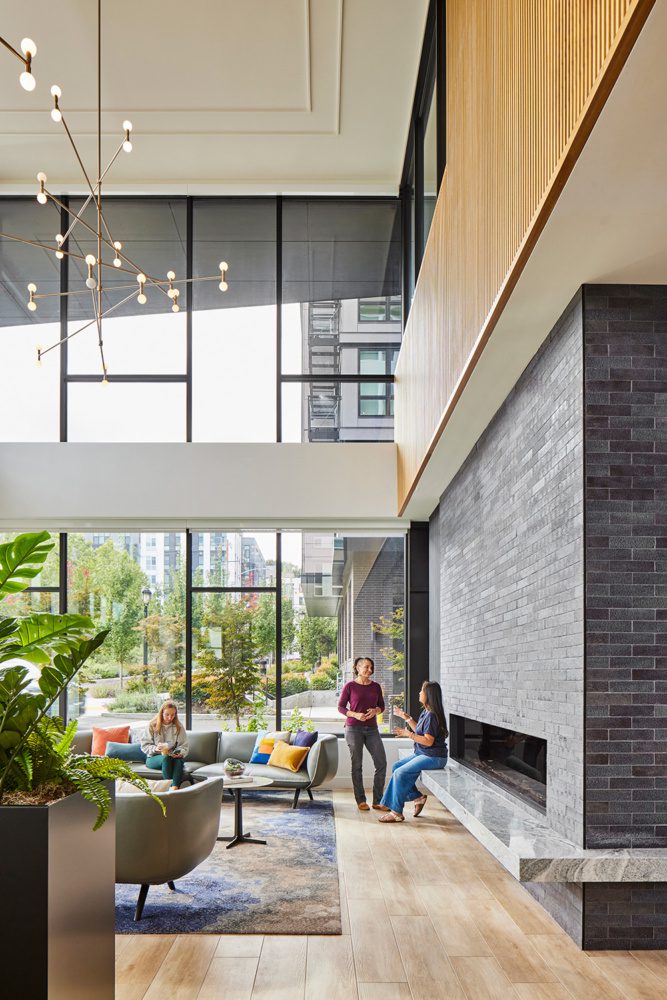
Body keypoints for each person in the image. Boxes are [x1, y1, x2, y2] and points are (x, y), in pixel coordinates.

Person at [378, 680, 448, 822]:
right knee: (396, 767)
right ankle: (417, 797)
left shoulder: (432, 716)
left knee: (400, 772)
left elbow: (428, 741)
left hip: (434, 757)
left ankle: (396, 812)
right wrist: (407, 718)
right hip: (424, 753)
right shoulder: (426, 712)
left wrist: (408, 734)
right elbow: (420, 731)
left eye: (422, 691)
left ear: (428, 695)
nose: (419, 693)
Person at [338, 656, 389, 812]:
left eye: (371, 667)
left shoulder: (375, 687)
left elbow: (382, 706)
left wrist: (376, 711)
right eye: (366, 667)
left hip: (372, 729)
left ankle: (378, 801)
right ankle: (361, 800)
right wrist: (355, 715)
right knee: (357, 765)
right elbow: (340, 707)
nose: (369, 670)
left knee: (381, 763)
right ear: (358, 668)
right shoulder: (350, 686)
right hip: (353, 729)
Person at [140, 700, 190, 788]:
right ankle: (169, 787)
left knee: (179, 761)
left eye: (173, 715)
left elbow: (184, 746)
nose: (170, 718)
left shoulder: (179, 726)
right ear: (161, 713)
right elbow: (144, 746)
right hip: (154, 758)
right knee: (166, 759)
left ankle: (174, 788)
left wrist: (180, 752)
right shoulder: (152, 725)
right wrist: (156, 748)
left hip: (172, 757)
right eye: (167, 714)